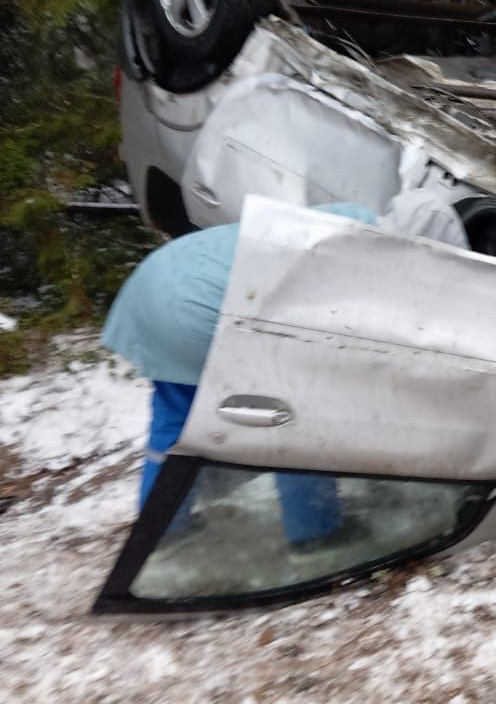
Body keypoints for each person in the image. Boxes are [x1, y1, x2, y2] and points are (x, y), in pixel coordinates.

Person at [103, 191, 471, 551]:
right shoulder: (364, 261)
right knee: (295, 414)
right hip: (199, 306)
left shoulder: (353, 217)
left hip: (162, 276)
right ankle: (315, 532)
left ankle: (163, 528)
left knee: (177, 415)